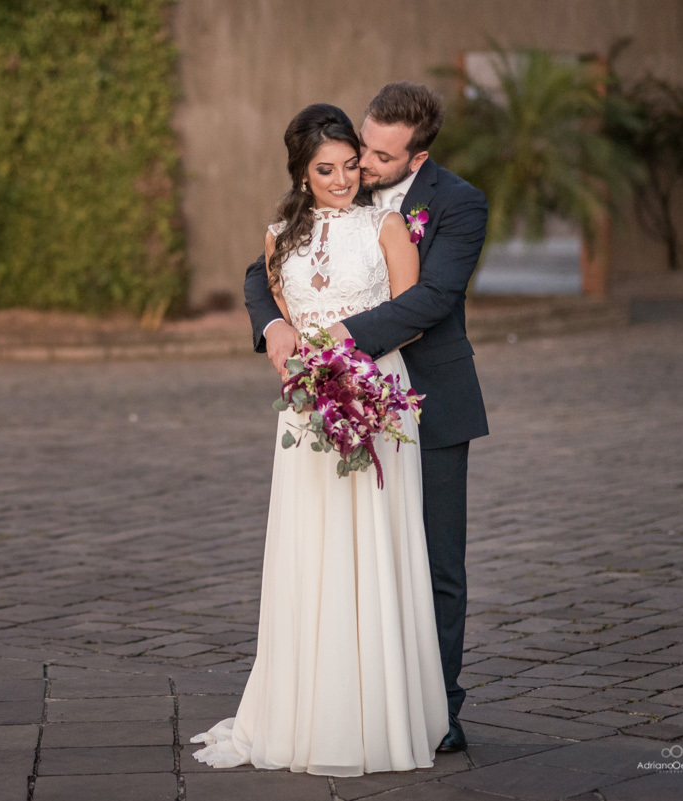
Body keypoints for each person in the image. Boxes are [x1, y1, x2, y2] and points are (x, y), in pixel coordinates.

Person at [190, 103, 449, 776]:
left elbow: (409, 314)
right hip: (308, 405)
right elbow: (275, 303)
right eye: (325, 169)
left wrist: (347, 350)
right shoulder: (279, 237)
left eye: (351, 165)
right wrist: (281, 336)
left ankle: (377, 716)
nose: (342, 180)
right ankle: (308, 710)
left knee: (373, 546)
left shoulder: (386, 225)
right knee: (312, 548)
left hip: (377, 392)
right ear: (303, 175)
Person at [243, 82, 490, 754]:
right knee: (332, 552)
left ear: (416, 158)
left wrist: (331, 346)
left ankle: (434, 709)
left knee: (433, 563)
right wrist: (273, 327)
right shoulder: (334, 189)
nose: (362, 168)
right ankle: (333, 697)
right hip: (324, 394)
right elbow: (260, 272)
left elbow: (431, 300)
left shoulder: (458, 204)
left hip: (424, 399)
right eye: (360, 149)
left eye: (378, 157)